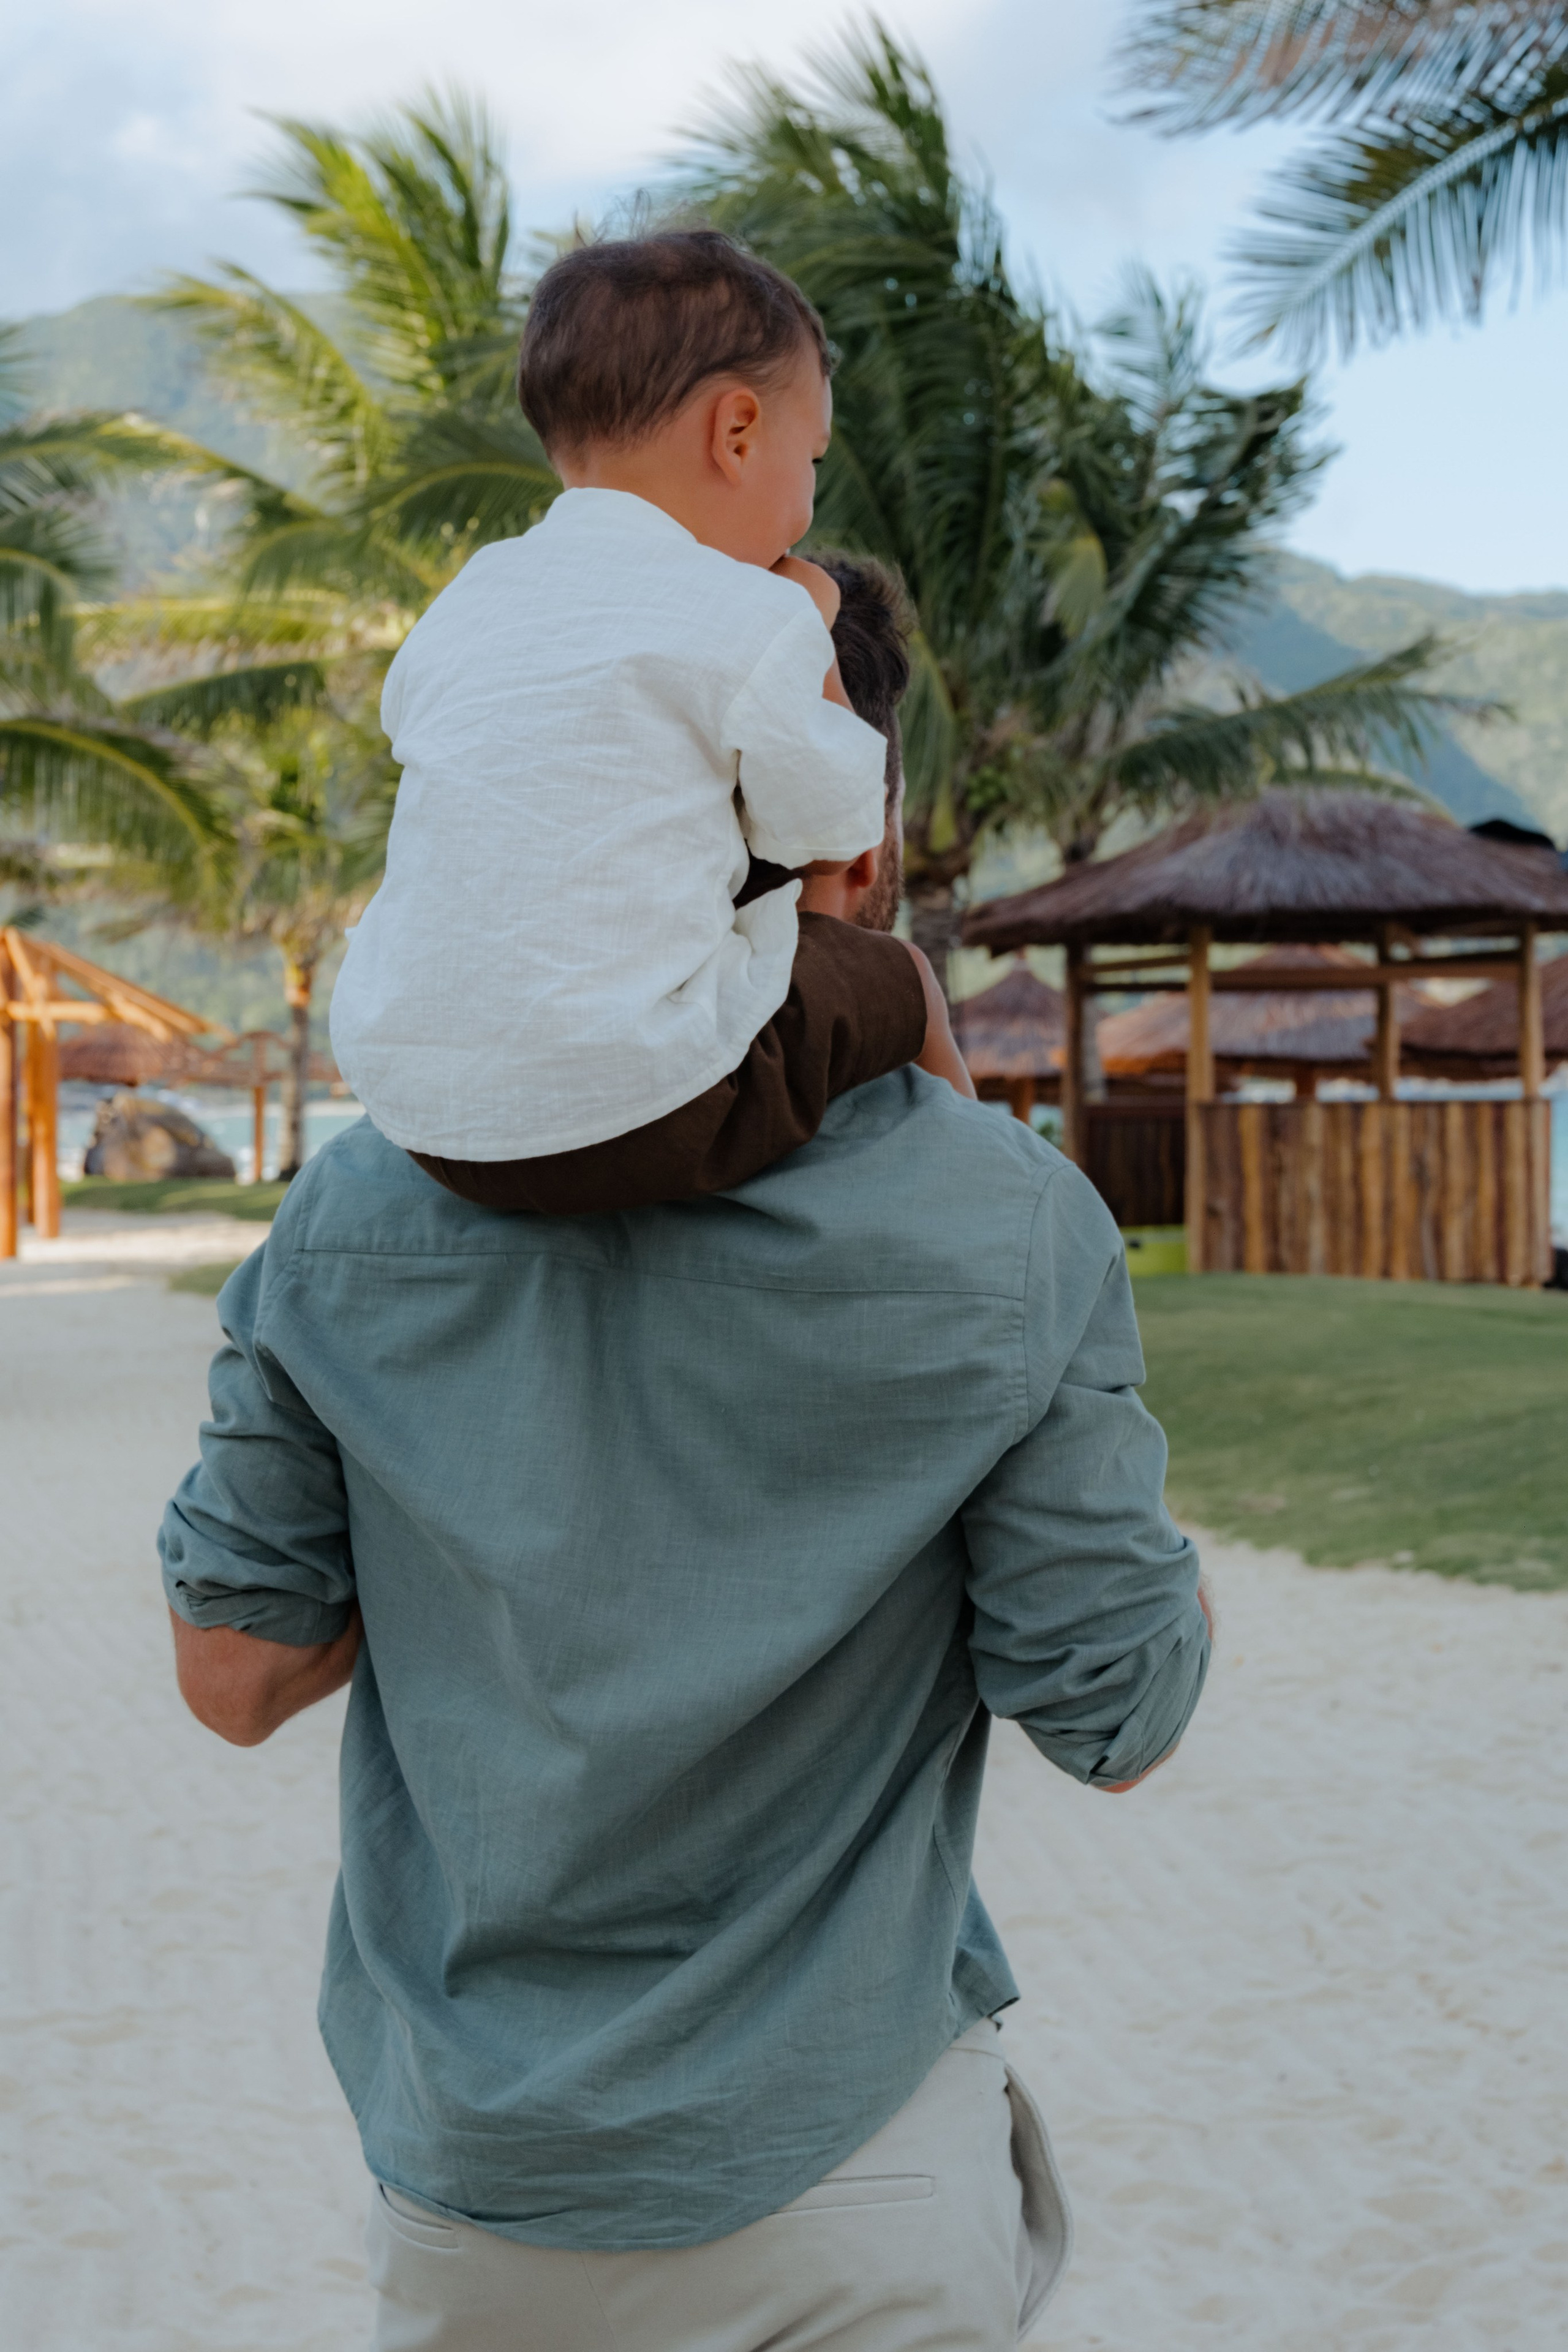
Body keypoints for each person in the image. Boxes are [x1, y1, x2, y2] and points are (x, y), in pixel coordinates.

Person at [162, 560, 1212, 2351]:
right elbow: (1113, 1722)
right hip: (856, 2156)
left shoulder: (349, 1214)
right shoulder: (1007, 1225)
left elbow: (239, 1674)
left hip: (482, 2182)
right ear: (861, 847)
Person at [328, 230, 970, 1218]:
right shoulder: (750, 612)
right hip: (631, 1115)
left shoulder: (471, 598)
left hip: (422, 1112)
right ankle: (983, 1189)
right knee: (900, 977)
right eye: (814, 457)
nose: (808, 494)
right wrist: (811, 629)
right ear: (739, 434)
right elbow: (841, 833)